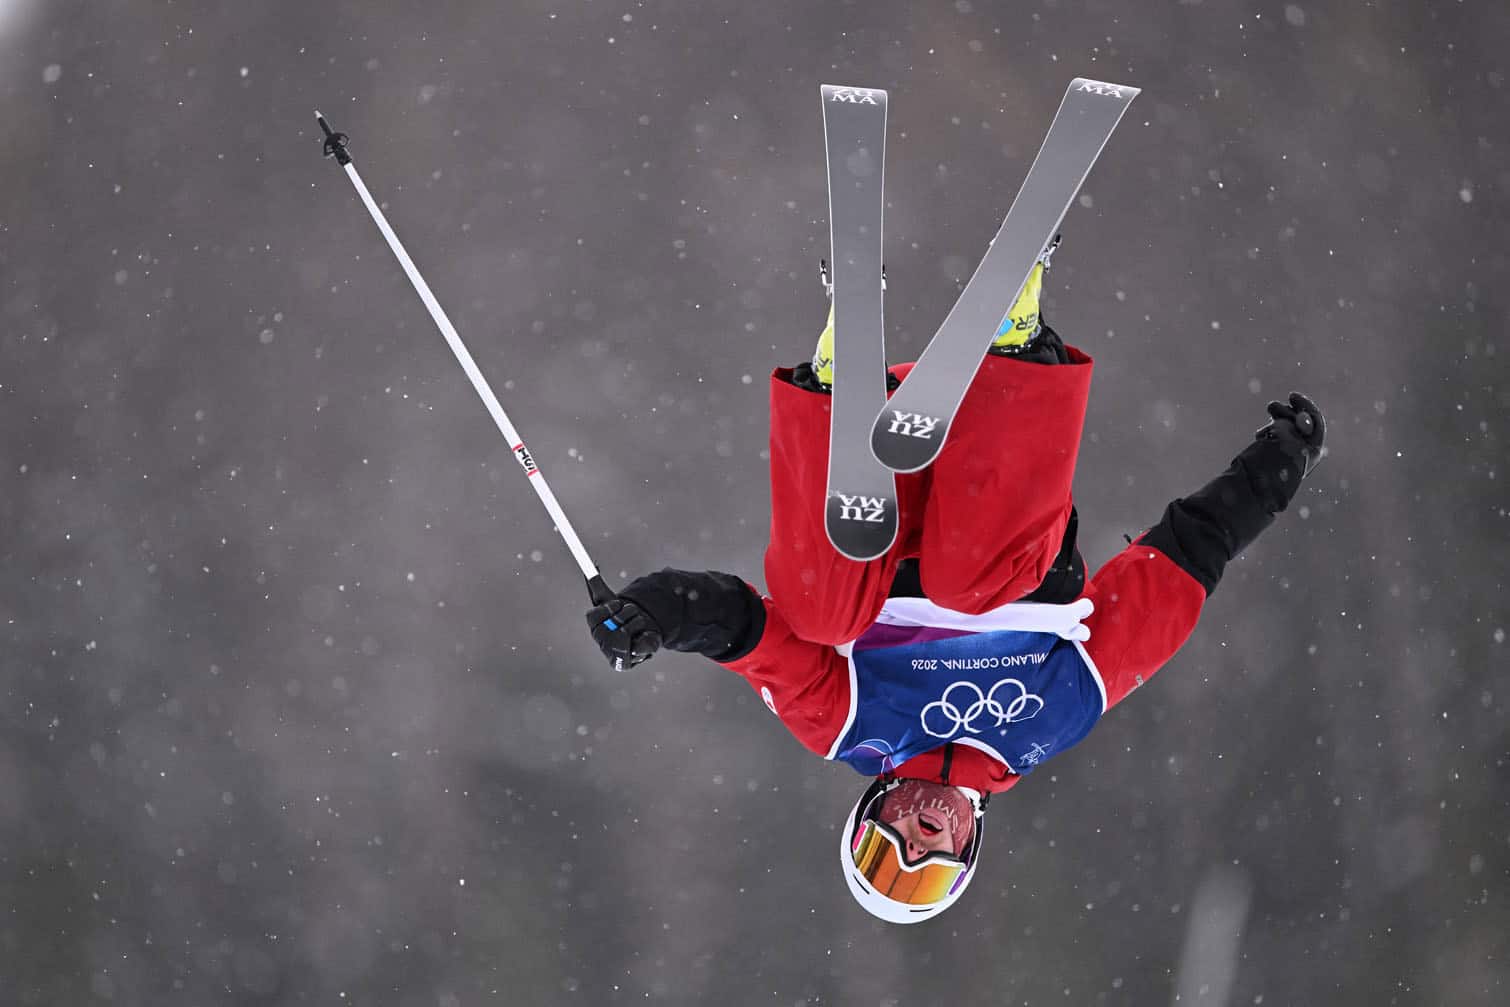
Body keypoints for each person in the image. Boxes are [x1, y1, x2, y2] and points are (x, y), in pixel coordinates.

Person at [585, 256, 1326, 924]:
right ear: (969, 846)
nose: (918, 844)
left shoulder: (845, 723)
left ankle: (843, 386)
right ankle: (1017, 337)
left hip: (881, 502)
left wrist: (653, 612)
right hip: (998, 491)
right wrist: (1273, 473)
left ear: (871, 812)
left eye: (885, 853)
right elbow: (1175, 570)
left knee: (817, 612)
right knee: (969, 583)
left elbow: (740, 626)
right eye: (933, 868)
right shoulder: (1052, 718)